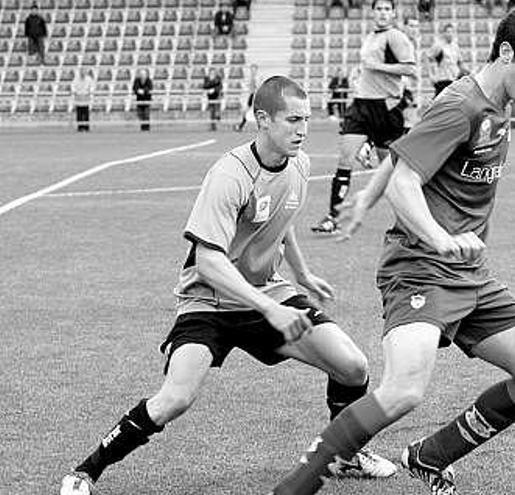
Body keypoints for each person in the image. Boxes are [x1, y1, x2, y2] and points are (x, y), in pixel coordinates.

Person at [272, 7, 515, 495]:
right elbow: (406, 183)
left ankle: (431, 457)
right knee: (404, 389)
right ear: (506, 52)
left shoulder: (499, 101)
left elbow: (403, 152)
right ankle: (294, 488)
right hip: (420, 269)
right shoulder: (462, 104)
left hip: (469, 272)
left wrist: (362, 200)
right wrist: (439, 238)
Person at [58, 76, 397, 495]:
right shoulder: (230, 174)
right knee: (175, 399)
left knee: (353, 366)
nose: (303, 130)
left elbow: (281, 221)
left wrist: (303, 275)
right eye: (292, 120)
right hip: (207, 300)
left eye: (307, 119)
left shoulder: (301, 164)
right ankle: (85, 472)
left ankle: (345, 455)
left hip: (266, 294)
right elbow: (208, 260)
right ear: (262, 119)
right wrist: (269, 308)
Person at [310, 0, 417, 235]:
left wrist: (378, 67)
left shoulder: (396, 37)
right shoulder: (370, 37)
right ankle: (333, 217)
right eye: (379, 9)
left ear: (392, 13)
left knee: (390, 170)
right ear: (372, 13)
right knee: (345, 159)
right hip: (361, 104)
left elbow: (410, 68)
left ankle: (410, 221)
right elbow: (369, 67)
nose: (382, 13)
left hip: (386, 108)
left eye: (387, 9)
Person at [427, 24, 465, 98]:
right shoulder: (439, 46)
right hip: (442, 79)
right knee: (439, 101)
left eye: (451, 32)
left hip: (453, 79)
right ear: (444, 33)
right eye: (448, 32)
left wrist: (468, 72)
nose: (450, 34)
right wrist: (431, 75)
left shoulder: (455, 47)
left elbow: (460, 62)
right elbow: (427, 57)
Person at [235, 63, 259, 132]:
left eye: (254, 70)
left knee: (257, 112)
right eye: (252, 70)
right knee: (245, 111)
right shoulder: (248, 78)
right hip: (250, 96)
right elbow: (246, 86)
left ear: (256, 70)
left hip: (256, 96)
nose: (253, 71)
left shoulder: (258, 78)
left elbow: (258, 87)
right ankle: (241, 126)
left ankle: (259, 127)